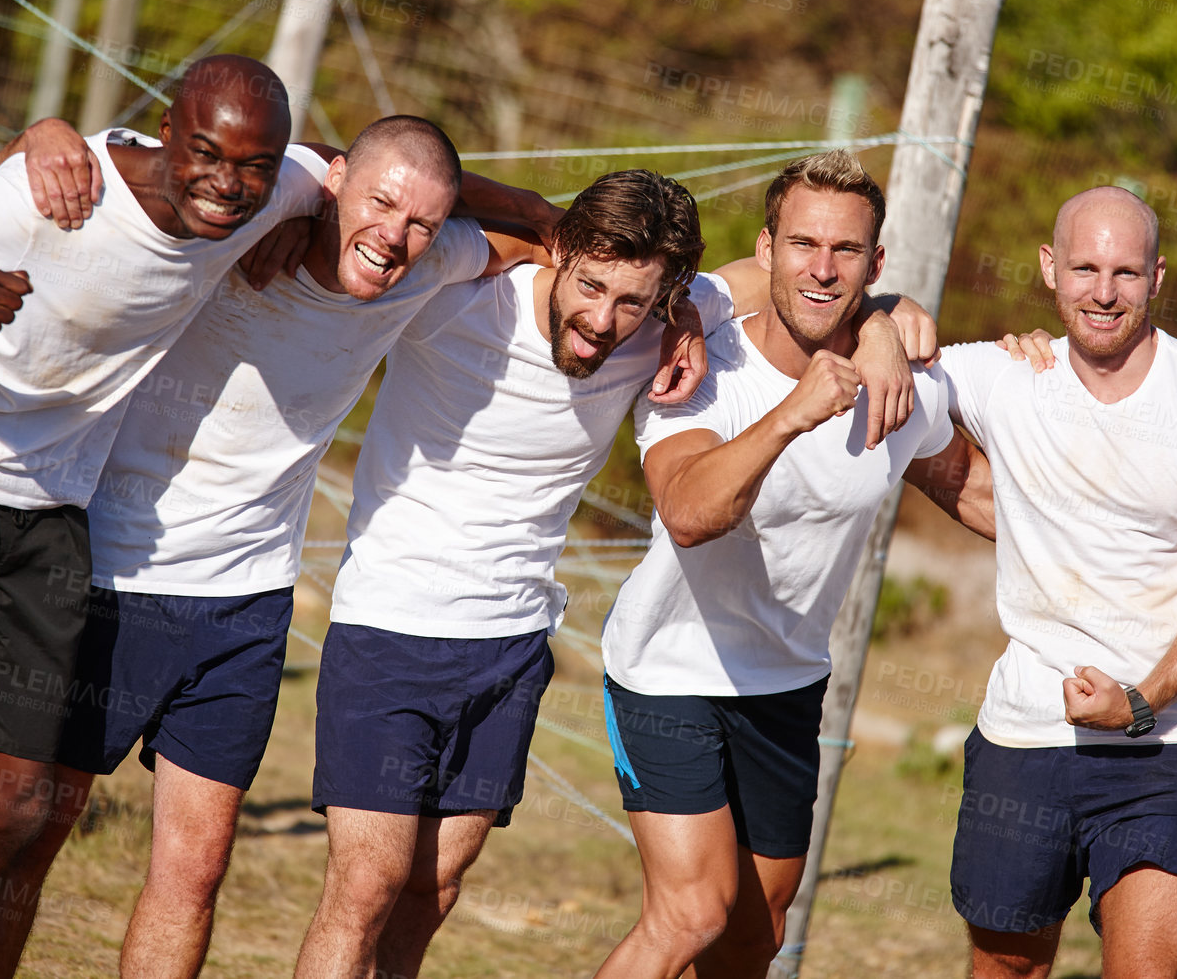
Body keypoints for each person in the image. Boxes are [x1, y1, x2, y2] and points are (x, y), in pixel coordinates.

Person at [0, 112, 572, 979]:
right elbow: (90, 164)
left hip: (247, 603)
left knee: (194, 870)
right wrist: (43, 131)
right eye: (380, 205)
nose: (396, 238)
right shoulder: (259, 206)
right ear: (334, 180)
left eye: (423, 221)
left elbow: (555, 247)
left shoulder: (433, 261)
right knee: (25, 839)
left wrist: (638, 293)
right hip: (112, 568)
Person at [294, 163, 928, 979]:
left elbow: (805, 286)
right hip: (389, 621)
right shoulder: (460, 280)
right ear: (559, 252)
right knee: (367, 885)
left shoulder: (660, 327)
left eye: (633, 302)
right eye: (590, 286)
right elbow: (366, 177)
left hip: (512, 641)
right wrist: (524, 207)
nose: (602, 320)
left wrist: (880, 319)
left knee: (434, 888)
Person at [0, 55, 312, 979]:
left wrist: (554, 227)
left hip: (51, 511)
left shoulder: (278, 190)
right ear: (165, 127)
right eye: (206, 154)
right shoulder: (54, 192)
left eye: (256, 168)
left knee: (21, 808)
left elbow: (412, 174)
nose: (229, 185)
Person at [591, 149, 996, 979]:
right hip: (669, 673)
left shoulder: (902, 381)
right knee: (691, 913)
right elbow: (693, 514)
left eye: (846, 252)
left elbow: (973, 490)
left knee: (756, 932)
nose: (823, 268)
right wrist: (794, 412)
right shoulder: (700, 358)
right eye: (803, 244)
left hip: (785, 684)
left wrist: (1127, 556)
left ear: (875, 265)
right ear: (766, 248)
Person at [943, 185, 1177, 979]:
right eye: (1086, 268)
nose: (1104, 292)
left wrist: (1142, 700)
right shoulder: (1002, 376)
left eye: (1126, 272)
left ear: (1158, 277)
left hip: (1168, 746)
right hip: (1024, 737)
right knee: (1007, 967)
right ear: (1048, 270)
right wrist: (893, 336)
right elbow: (871, 337)